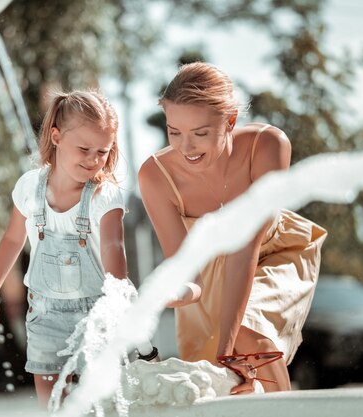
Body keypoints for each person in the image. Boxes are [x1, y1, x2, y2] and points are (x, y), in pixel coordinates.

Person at [138, 62, 327, 393]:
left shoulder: (267, 146)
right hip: (206, 277)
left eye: (200, 133)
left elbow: (245, 248)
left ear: (230, 122)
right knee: (218, 387)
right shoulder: (155, 176)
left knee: (247, 336)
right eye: (174, 132)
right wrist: (171, 292)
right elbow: (188, 272)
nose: (186, 148)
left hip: (272, 253)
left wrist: (225, 349)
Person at [0, 90, 141, 407]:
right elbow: (13, 239)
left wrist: (119, 295)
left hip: (98, 314)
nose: (93, 160)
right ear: (56, 137)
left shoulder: (103, 196)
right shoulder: (29, 188)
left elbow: (113, 245)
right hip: (45, 315)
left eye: (102, 152)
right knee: (52, 404)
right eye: (84, 149)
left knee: (104, 401)